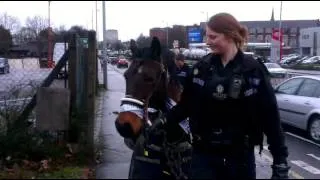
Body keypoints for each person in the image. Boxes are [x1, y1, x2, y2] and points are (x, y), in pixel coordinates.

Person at [163, 12, 290, 179]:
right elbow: (186, 106)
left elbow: (270, 115)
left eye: (213, 37)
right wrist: (163, 122)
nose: (208, 42)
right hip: (203, 158)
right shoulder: (200, 69)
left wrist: (280, 160)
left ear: (230, 35)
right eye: (207, 36)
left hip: (240, 160)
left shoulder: (253, 70)